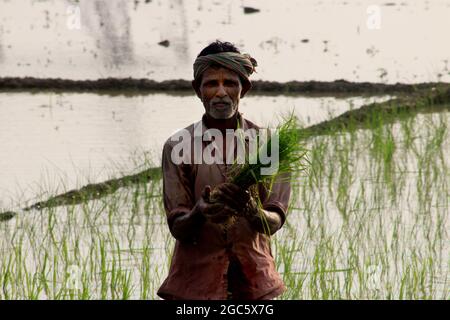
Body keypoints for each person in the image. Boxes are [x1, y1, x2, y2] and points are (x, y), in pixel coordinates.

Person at [157, 40, 291, 300]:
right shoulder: (177, 146)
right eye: (211, 84)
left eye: (229, 83)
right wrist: (199, 212)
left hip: (255, 284)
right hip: (194, 288)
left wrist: (253, 211)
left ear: (244, 88)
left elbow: (275, 220)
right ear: (198, 90)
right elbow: (178, 226)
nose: (221, 92)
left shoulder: (269, 145)